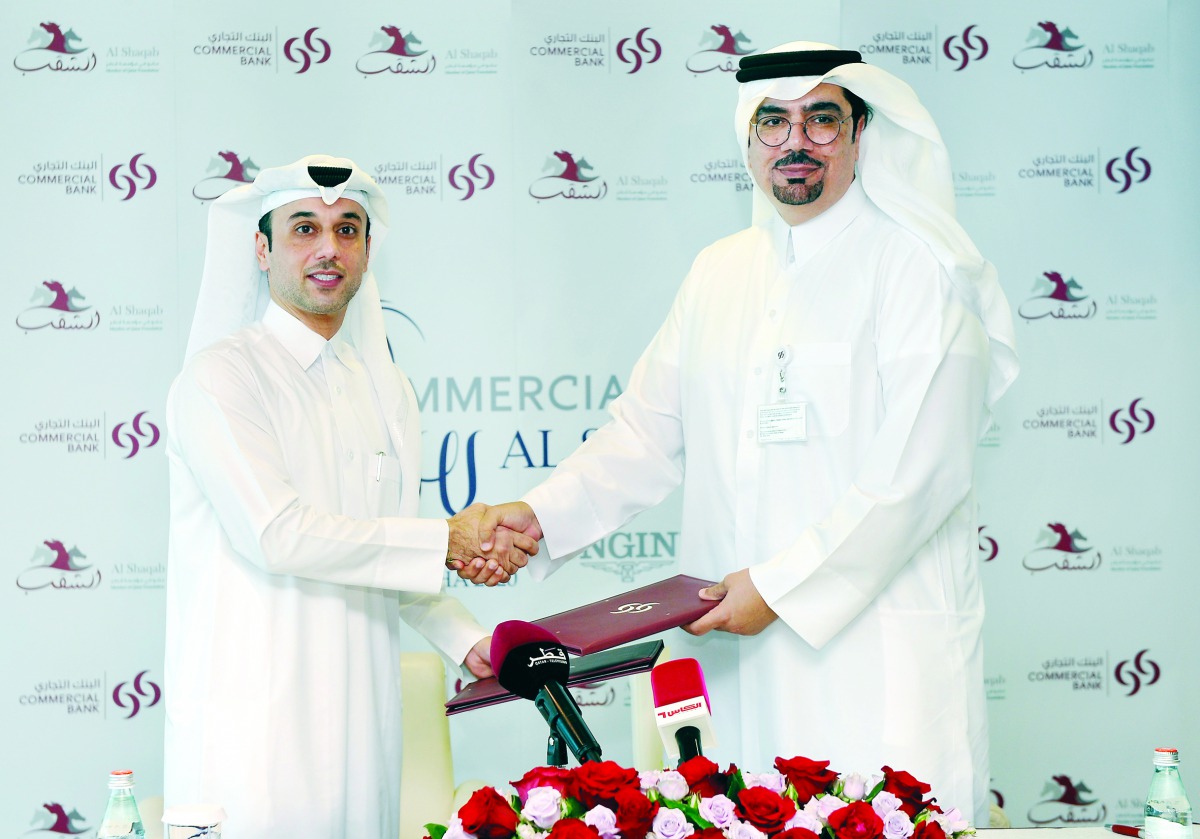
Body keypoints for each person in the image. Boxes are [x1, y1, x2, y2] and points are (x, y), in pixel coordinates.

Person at [474, 44, 1018, 823]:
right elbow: (642, 433)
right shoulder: (718, 272)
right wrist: (542, 515)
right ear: (749, 135)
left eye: (821, 120)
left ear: (860, 133)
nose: (795, 142)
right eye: (774, 122)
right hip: (734, 648)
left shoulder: (914, 266)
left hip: (875, 654)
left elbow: (919, 473)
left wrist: (779, 584)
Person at [163, 155, 531, 838]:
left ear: (367, 251)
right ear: (262, 248)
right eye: (305, 227)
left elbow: (383, 544)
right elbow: (277, 533)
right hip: (254, 732)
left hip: (365, 723)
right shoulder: (220, 377)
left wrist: (469, 638)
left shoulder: (385, 386)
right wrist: (445, 541)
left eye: (348, 229)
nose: (329, 248)